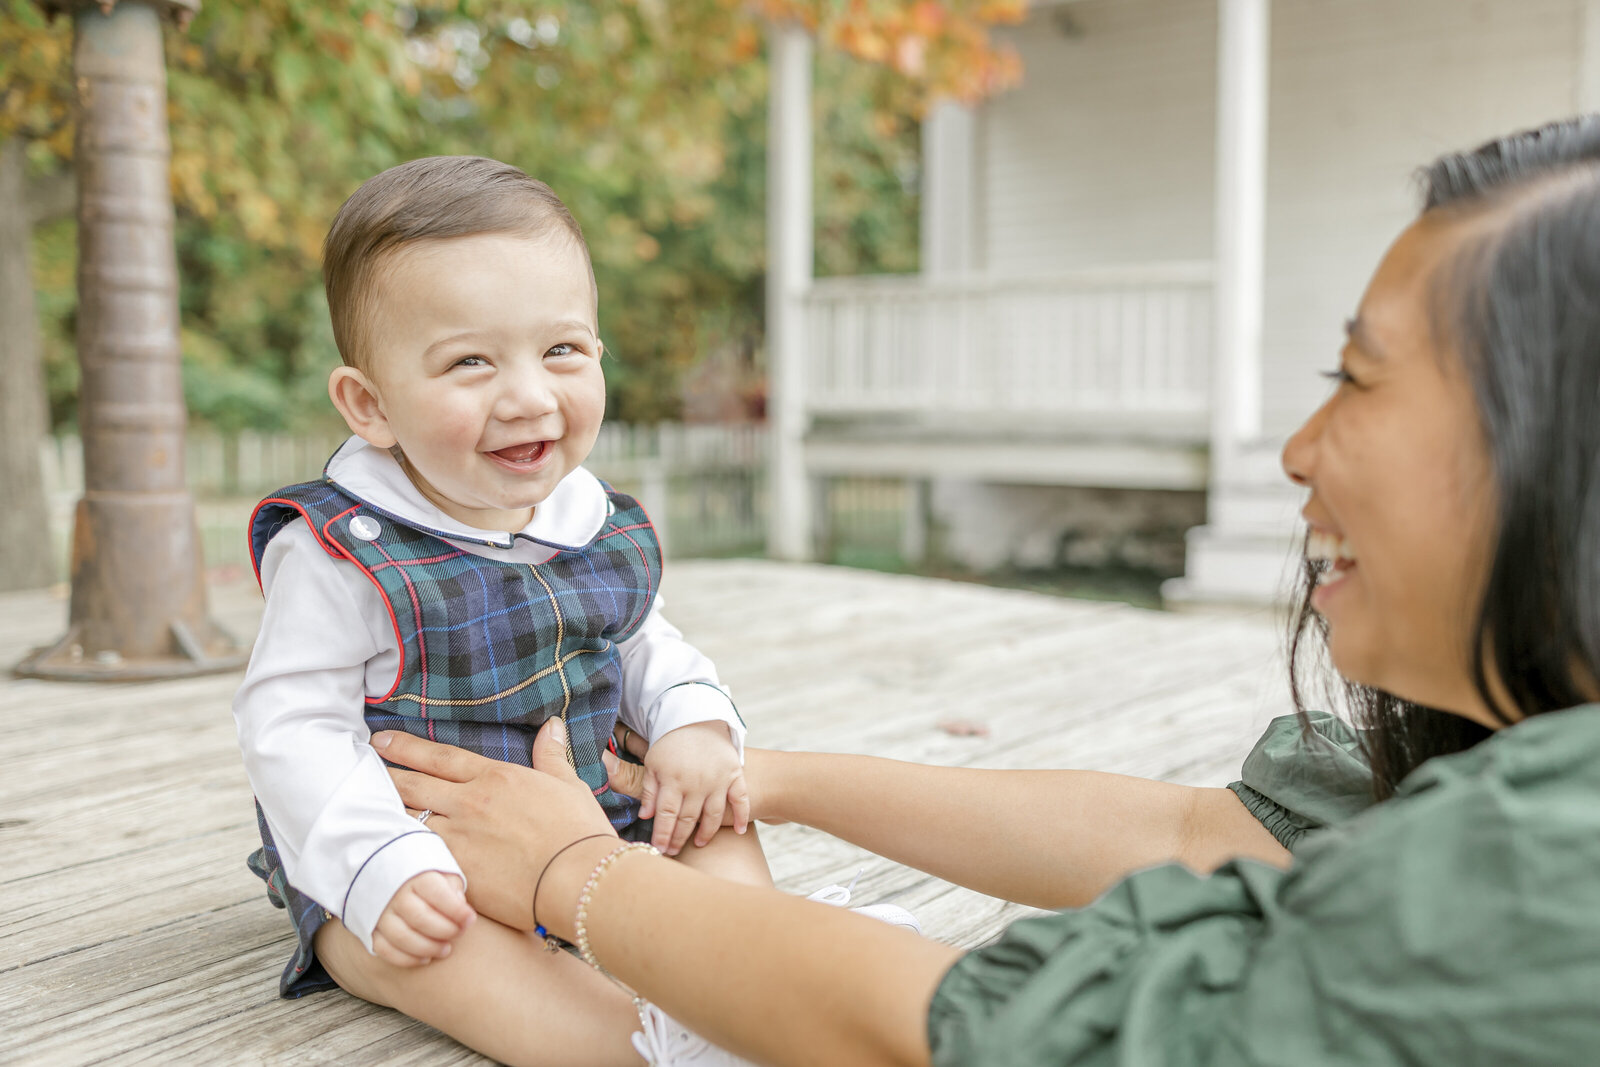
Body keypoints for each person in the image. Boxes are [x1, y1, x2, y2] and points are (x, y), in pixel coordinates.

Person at [376, 116, 1600, 1067]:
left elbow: (960, 1033)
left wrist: (576, 878)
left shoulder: (1551, 858)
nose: (1296, 447)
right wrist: (770, 777)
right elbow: (1198, 837)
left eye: (1361, 377)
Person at [232, 156, 796, 1066]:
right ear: (370, 403)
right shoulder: (343, 549)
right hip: (427, 846)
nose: (530, 395)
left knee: (716, 808)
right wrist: (380, 865)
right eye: (470, 362)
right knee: (448, 955)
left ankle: (762, 976)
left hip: (596, 809)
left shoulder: (589, 513)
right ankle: (628, 1038)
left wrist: (692, 721)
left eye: (562, 350)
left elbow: (642, 639)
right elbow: (290, 725)